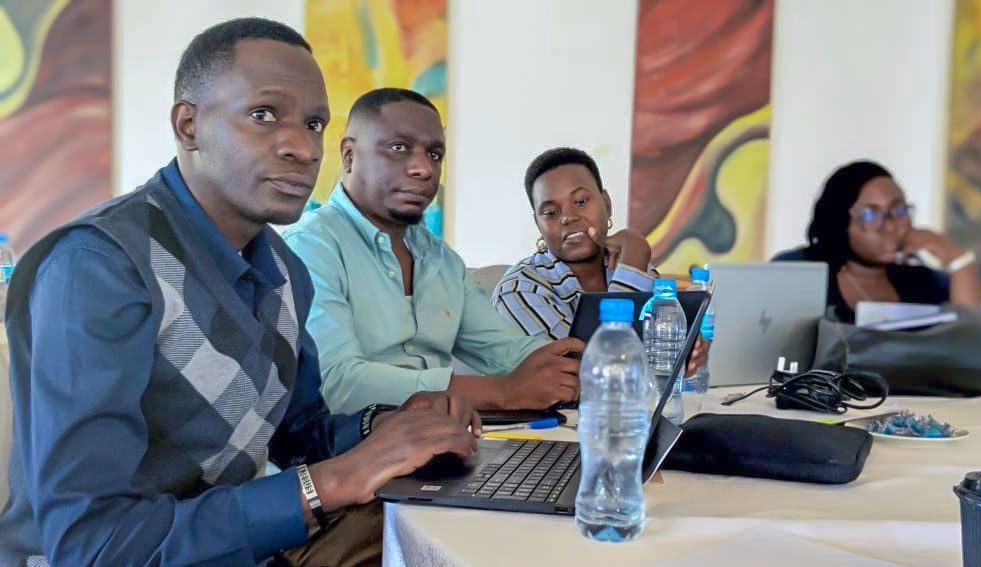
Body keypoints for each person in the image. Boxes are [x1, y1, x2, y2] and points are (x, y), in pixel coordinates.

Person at [0, 19, 481, 566]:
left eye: (315, 123)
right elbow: (91, 543)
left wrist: (386, 424)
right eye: (263, 115)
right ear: (189, 125)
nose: (302, 147)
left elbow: (297, 434)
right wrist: (329, 482)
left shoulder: (283, 270)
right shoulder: (100, 267)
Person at [283, 88, 584, 416]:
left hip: (439, 444)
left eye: (435, 155)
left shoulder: (443, 261)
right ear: (349, 155)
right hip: (345, 456)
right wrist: (504, 391)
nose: (423, 169)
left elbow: (508, 351)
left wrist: (589, 367)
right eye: (399, 148)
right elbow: (338, 383)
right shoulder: (310, 246)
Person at [492, 147, 707, 376]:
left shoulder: (627, 268)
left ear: (606, 204)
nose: (568, 217)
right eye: (551, 213)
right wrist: (636, 253)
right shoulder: (519, 291)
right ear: (538, 224)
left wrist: (688, 355)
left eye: (581, 201)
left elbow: (660, 360)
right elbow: (594, 372)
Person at [773, 160, 981, 323]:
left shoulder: (921, 281)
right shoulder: (800, 270)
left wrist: (958, 259)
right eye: (870, 214)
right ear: (840, 222)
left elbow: (969, 334)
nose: (890, 225)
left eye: (899, 210)